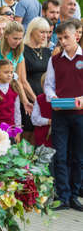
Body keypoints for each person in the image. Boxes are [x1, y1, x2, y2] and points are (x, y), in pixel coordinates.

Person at [44, 21, 83, 211]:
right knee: (59, 155)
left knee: (78, 156)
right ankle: (63, 196)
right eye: (59, 39)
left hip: (80, 114)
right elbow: (49, 84)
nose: (63, 42)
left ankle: (75, 195)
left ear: (76, 35)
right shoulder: (55, 59)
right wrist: (53, 99)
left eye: (66, 37)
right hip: (60, 113)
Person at [0, 21, 33, 114]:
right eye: (15, 38)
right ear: (6, 35)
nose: (18, 42)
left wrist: (27, 101)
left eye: (20, 39)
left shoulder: (18, 52)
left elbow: (20, 80)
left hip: (10, 95)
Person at [21, 17, 52, 144]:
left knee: (41, 133)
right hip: (29, 96)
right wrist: (35, 100)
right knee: (27, 132)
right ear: (32, 31)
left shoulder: (47, 51)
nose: (45, 35)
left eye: (47, 32)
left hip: (44, 97)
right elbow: (22, 79)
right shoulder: (23, 50)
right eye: (42, 32)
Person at [0, 59, 22, 143]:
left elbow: (17, 111)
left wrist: (18, 130)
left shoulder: (14, 89)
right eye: (6, 72)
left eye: (11, 72)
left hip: (11, 128)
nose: (9, 75)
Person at [31, 74, 52, 148]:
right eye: (45, 85)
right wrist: (48, 121)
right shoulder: (40, 99)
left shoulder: (60, 99)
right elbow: (34, 119)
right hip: (43, 137)